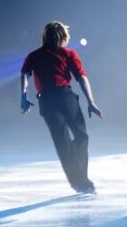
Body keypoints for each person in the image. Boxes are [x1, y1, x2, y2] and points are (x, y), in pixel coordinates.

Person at [20, 21, 102, 194]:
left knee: (73, 138)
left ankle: (80, 179)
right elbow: (81, 78)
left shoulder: (64, 54)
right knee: (70, 139)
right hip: (59, 97)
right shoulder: (40, 55)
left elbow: (81, 77)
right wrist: (90, 101)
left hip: (57, 98)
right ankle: (80, 180)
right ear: (63, 36)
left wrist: (91, 101)